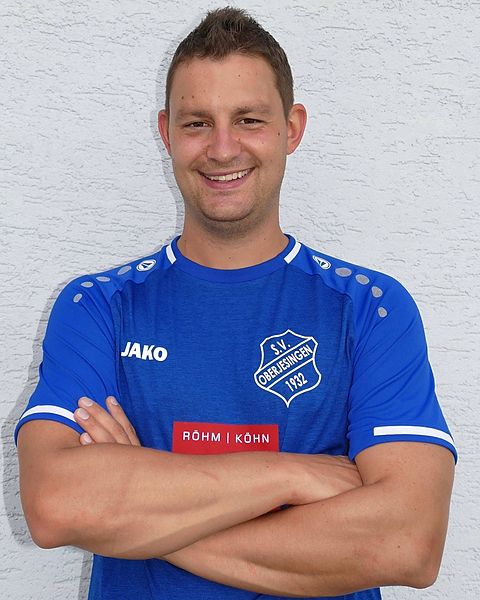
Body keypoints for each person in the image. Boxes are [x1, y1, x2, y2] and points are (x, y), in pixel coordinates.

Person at [16, 7, 456, 600]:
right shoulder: (99, 307)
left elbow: (406, 543)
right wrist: (292, 475)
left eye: (248, 120)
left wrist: (133, 511)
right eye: (198, 123)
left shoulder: (370, 309)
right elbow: (55, 506)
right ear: (167, 133)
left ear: (292, 129)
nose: (222, 149)